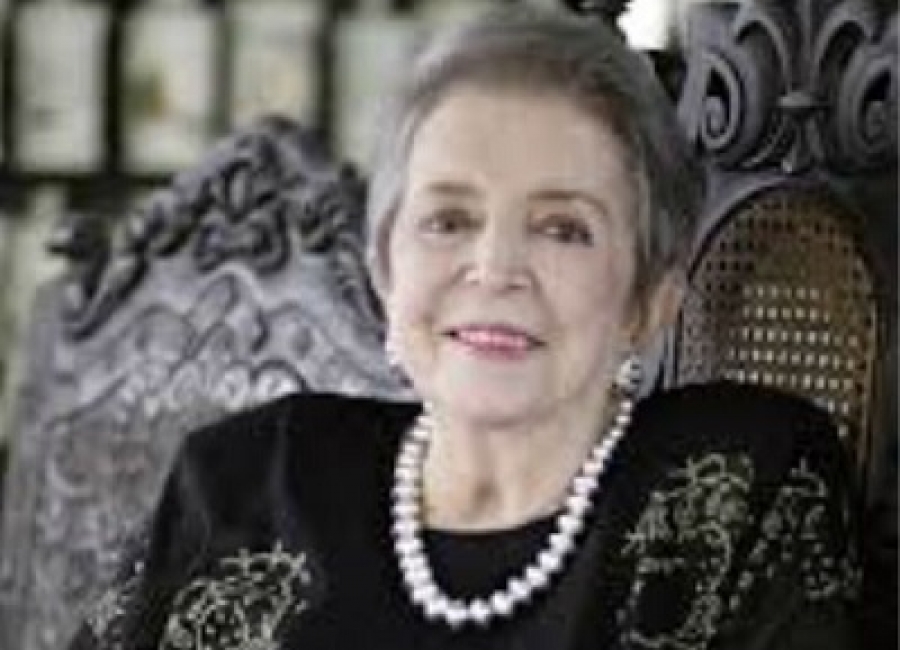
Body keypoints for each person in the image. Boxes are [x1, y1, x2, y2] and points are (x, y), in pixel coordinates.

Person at [71, 6, 860, 649]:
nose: (495, 268)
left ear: (650, 301)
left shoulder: (735, 490)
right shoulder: (246, 475)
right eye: (448, 219)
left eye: (563, 229)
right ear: (385, 269)